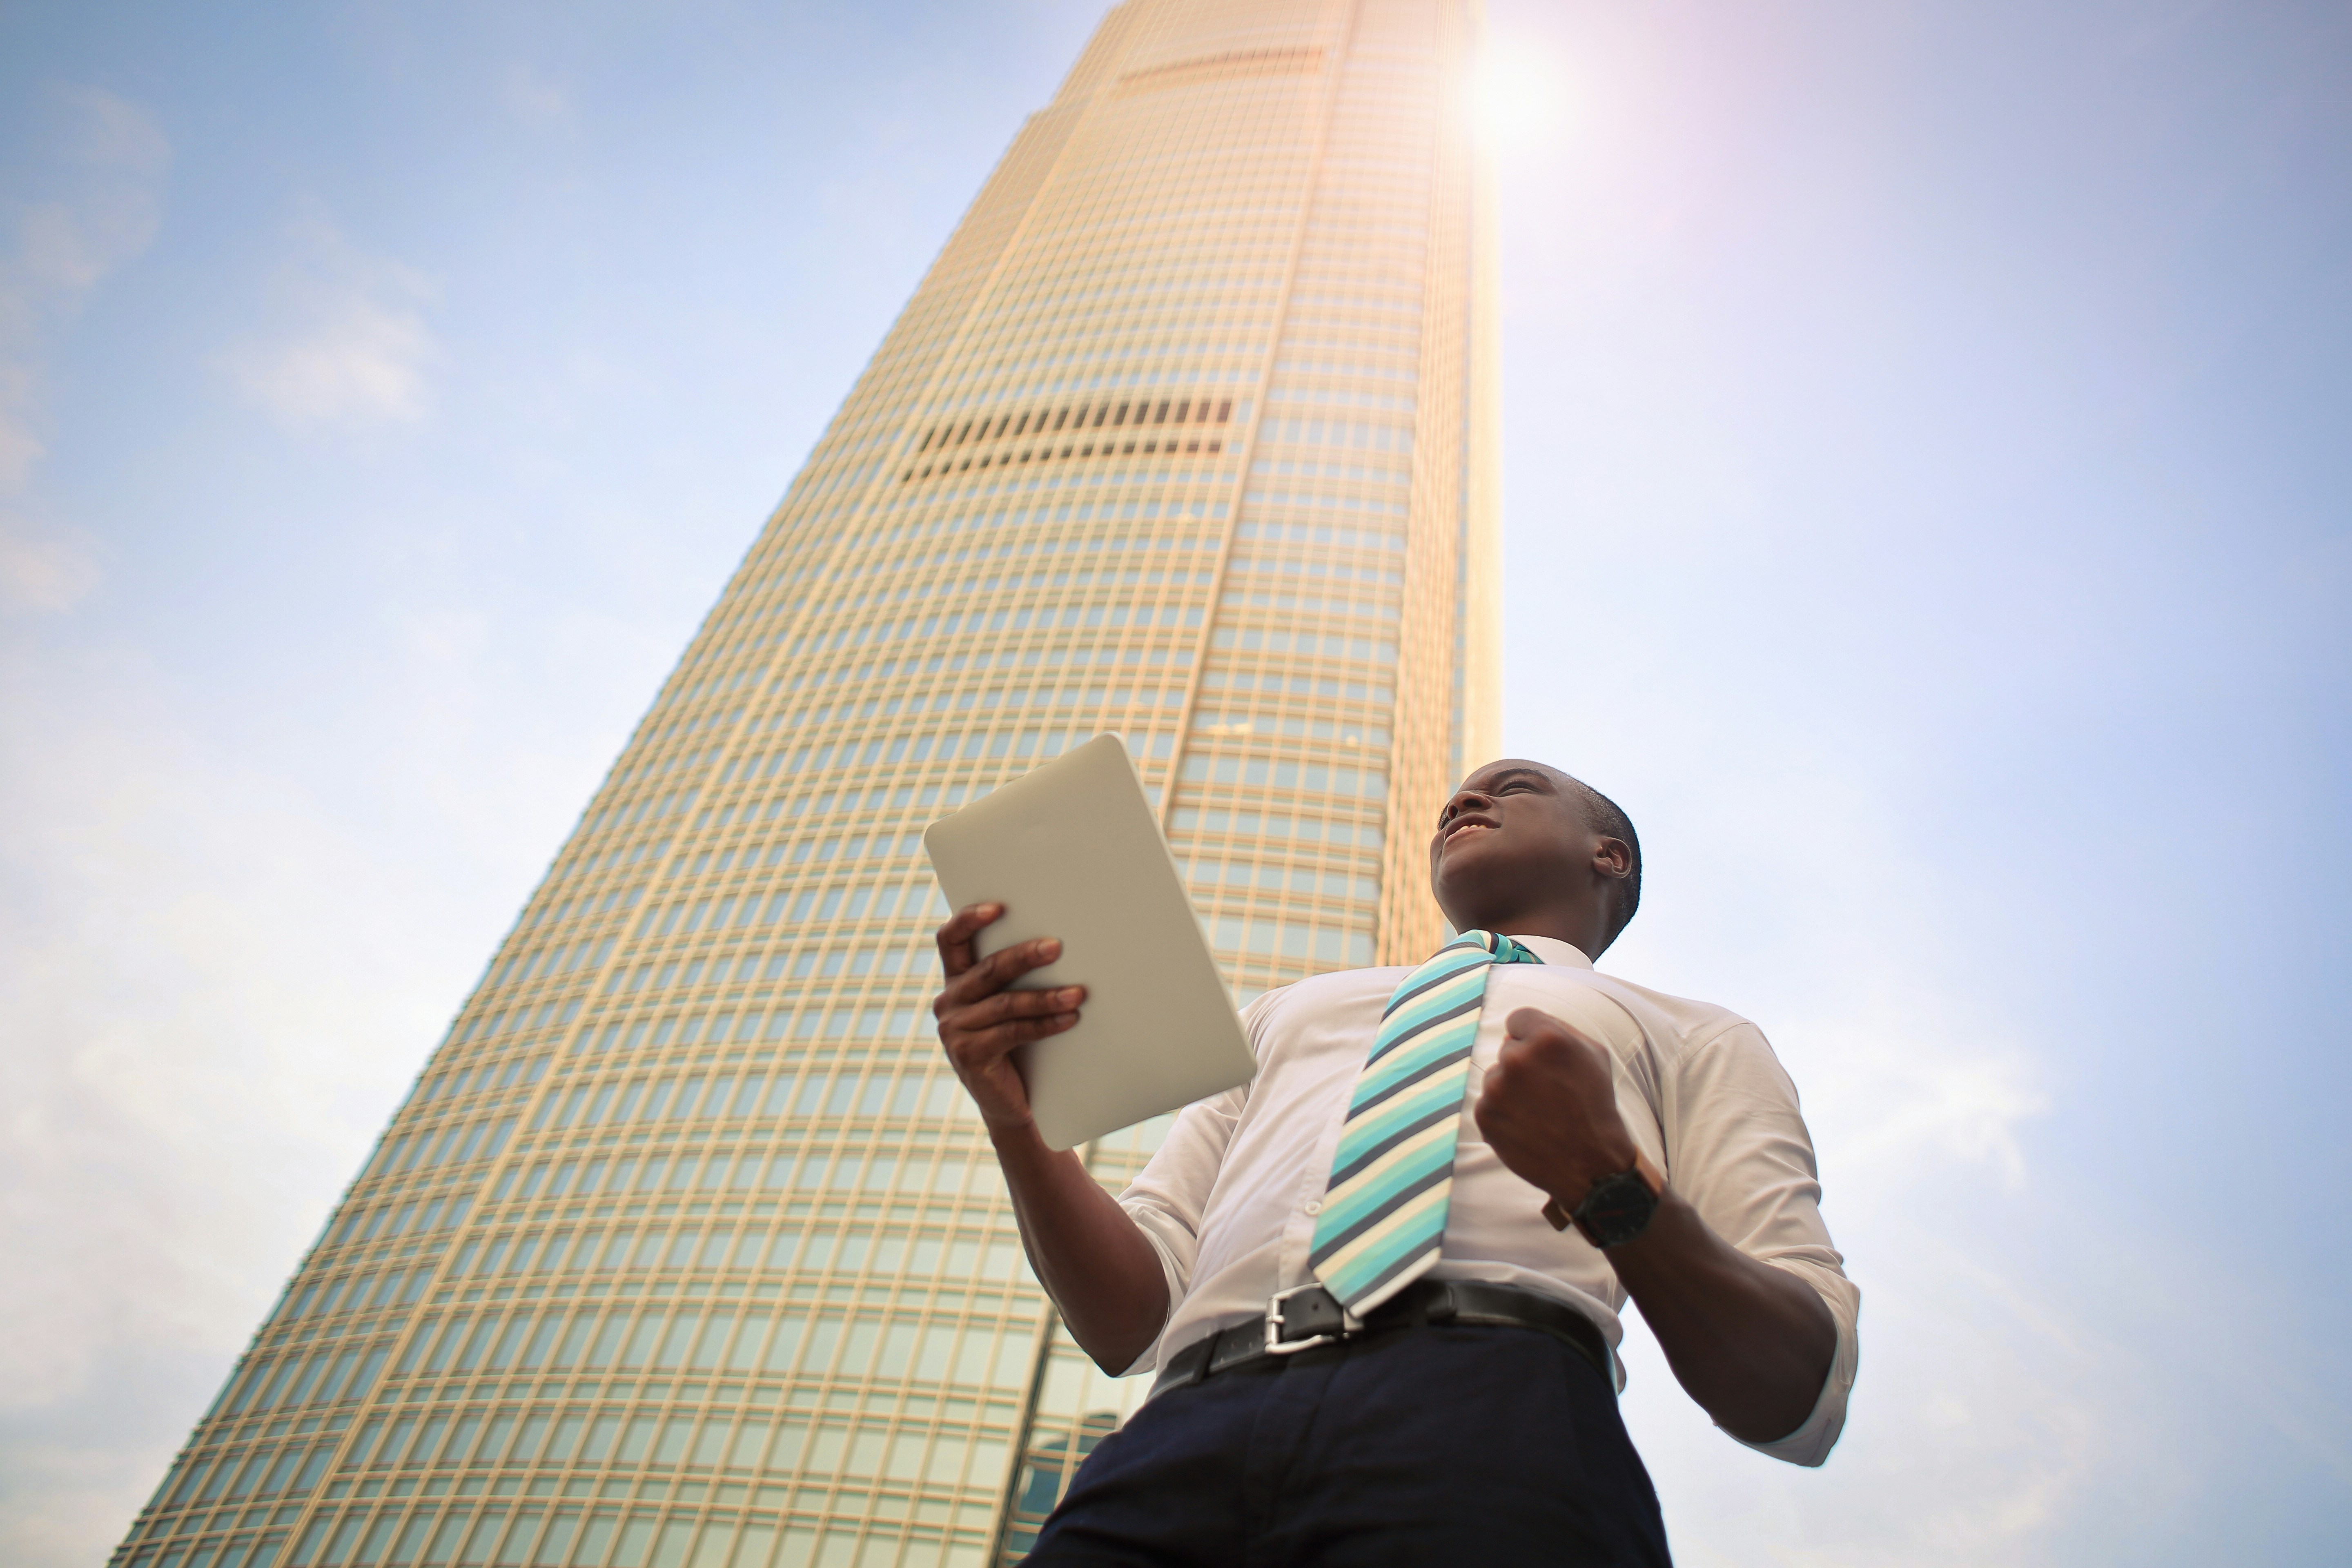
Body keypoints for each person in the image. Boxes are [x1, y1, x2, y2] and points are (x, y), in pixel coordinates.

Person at [930, 759, 1859, 1566]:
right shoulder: (1285, 1014)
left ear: (1607, 855)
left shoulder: (1695, 1035)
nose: (1464, 801)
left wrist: (1611, 1184)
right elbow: (1129, 1319)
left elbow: (1796, 1391)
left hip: (1497, 1417)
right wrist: (1020, 1125)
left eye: (1512, 789)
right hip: (1181, 1432)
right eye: (1455, 799)